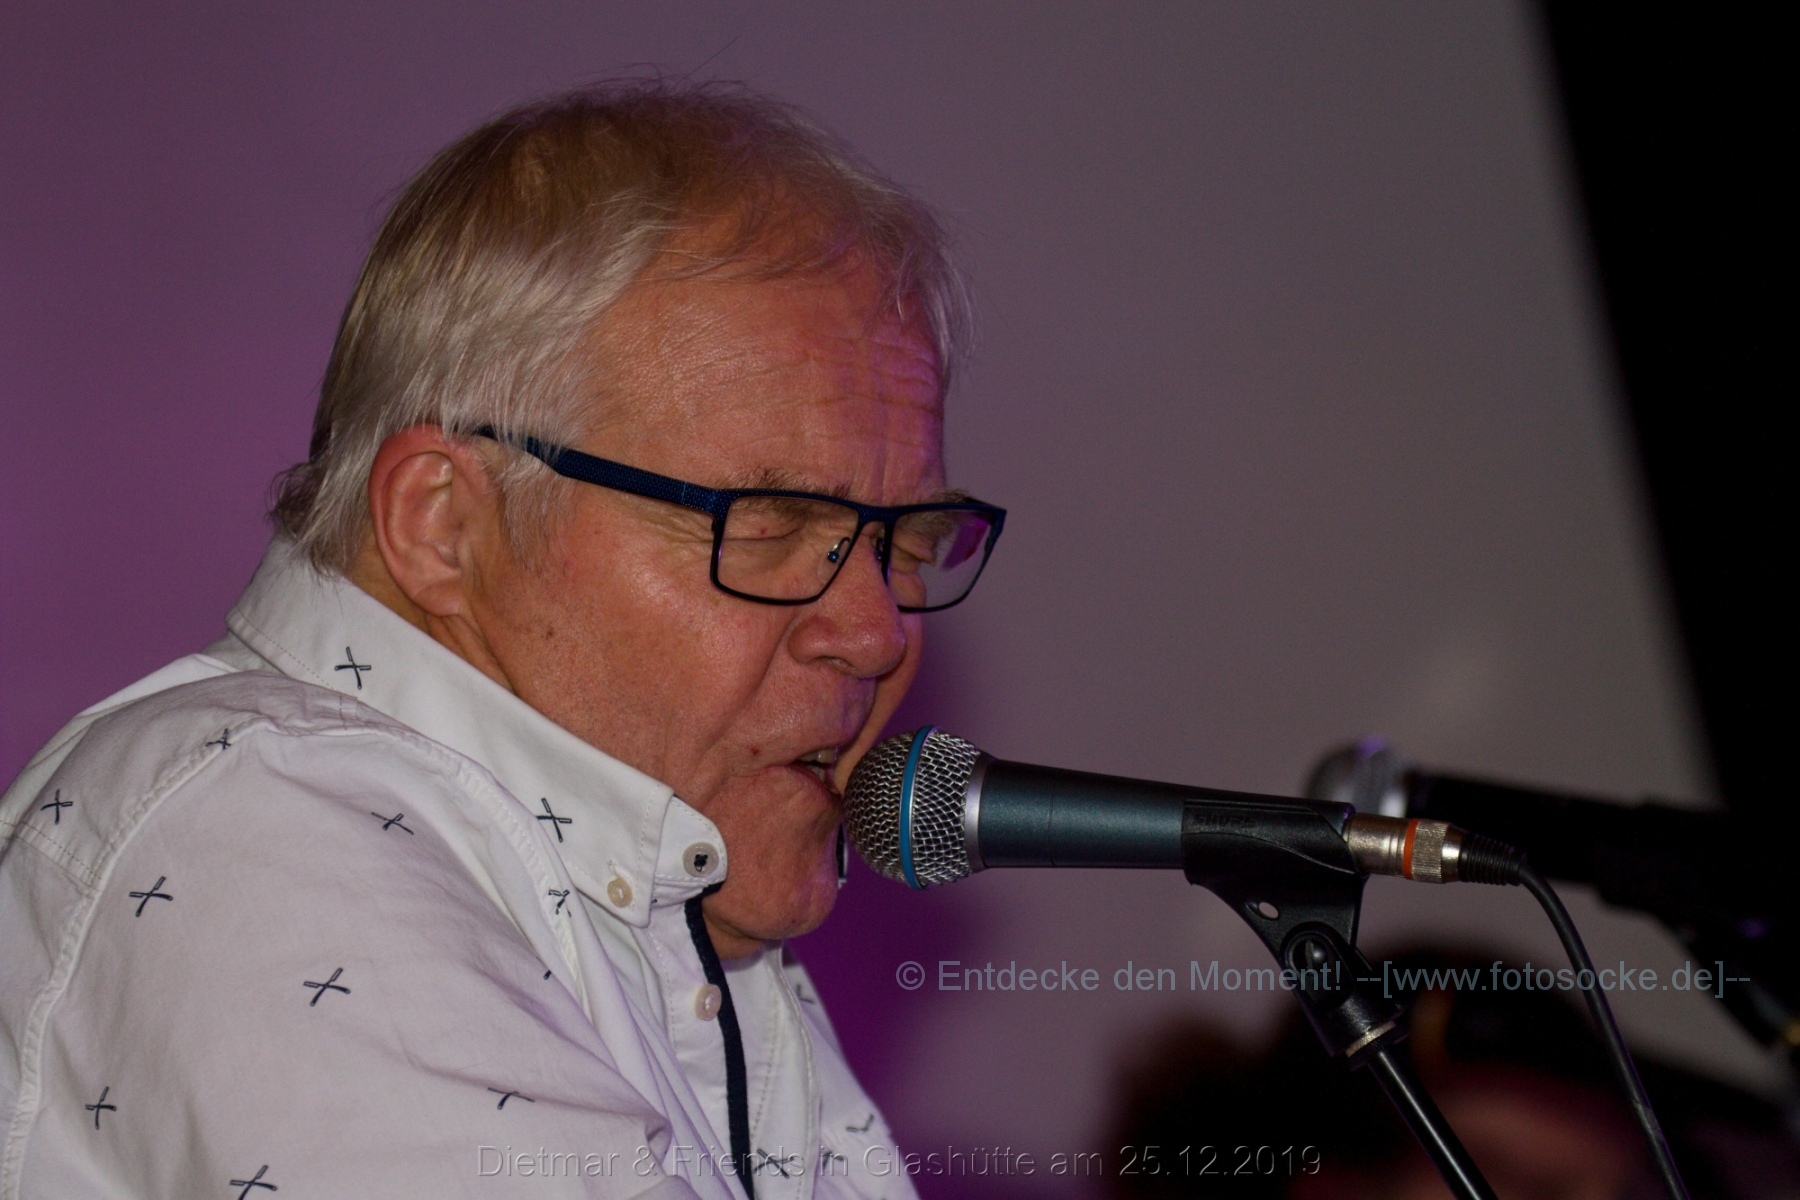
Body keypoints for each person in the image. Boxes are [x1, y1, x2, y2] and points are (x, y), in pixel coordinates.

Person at [0, 83, 1004, 1199]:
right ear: (445, 523)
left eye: (909, 543)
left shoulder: (673, 920)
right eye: (769, 524)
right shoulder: (258, 825)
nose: (874, 631)